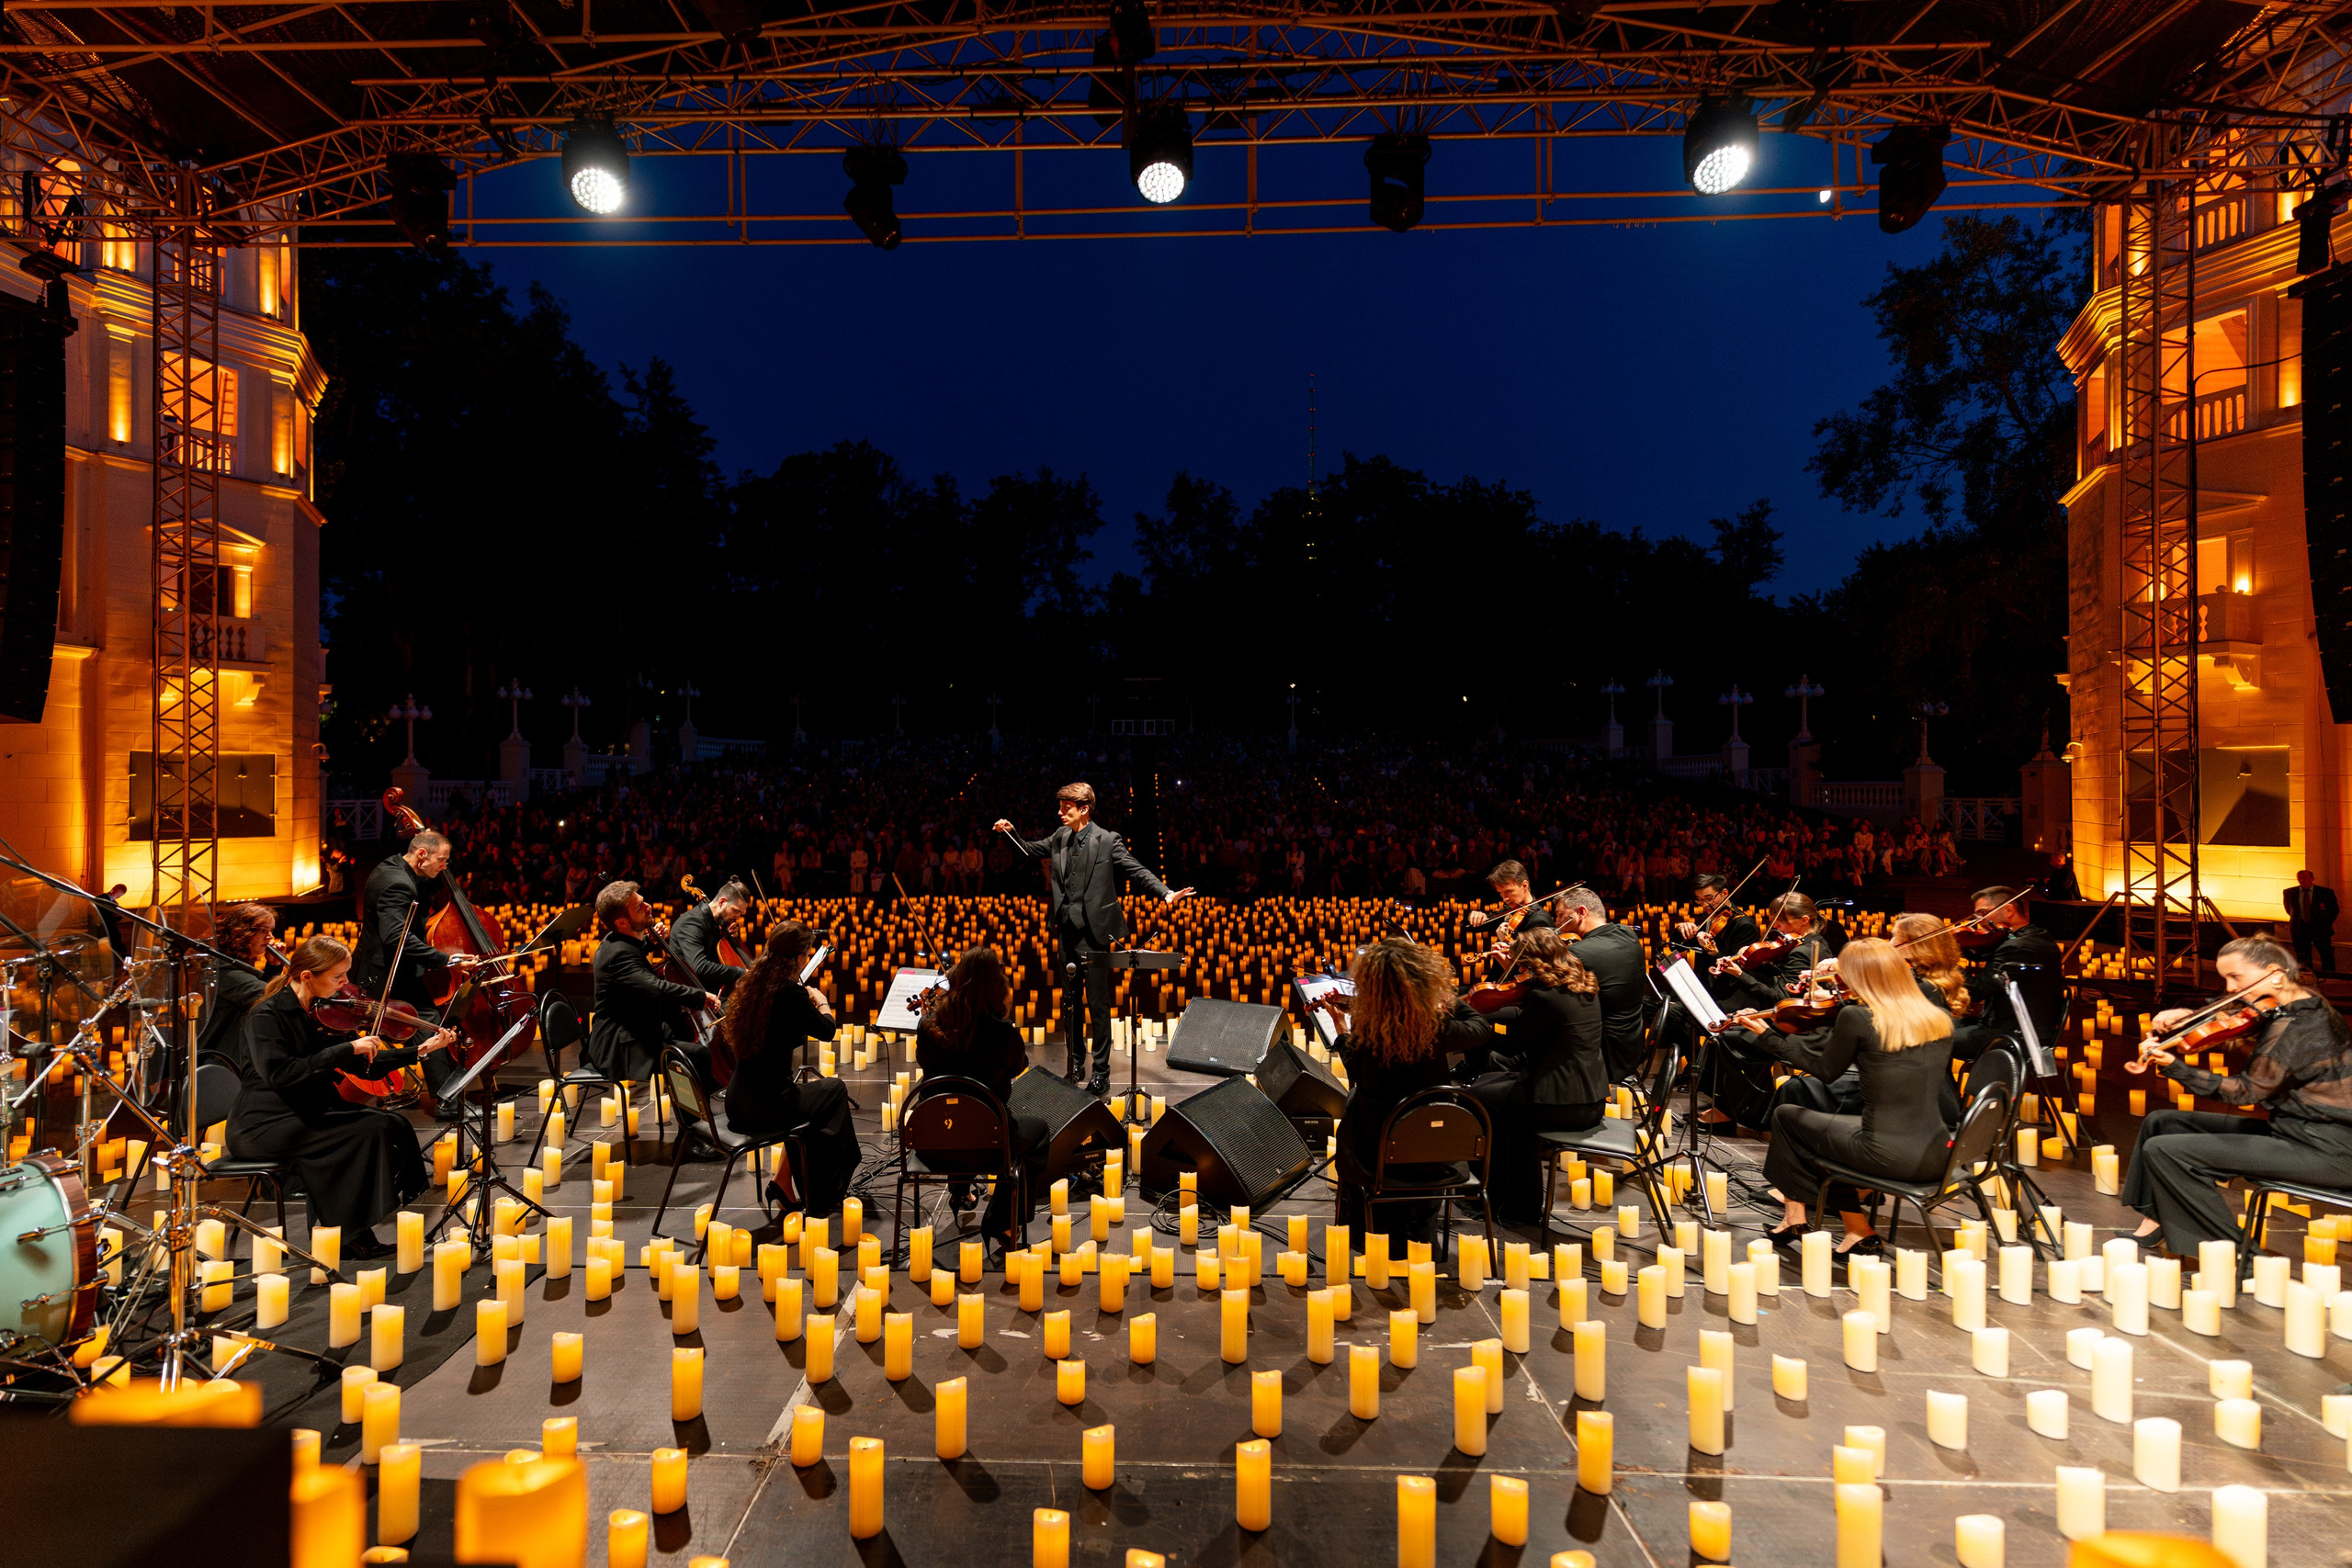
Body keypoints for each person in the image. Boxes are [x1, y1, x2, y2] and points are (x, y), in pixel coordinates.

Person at [2120, 936, 2352, 1255]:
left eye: (2236, 977)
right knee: (2162, 1123)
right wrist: (2188, 1016)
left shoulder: (2301, 1025)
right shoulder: (2297, 1001)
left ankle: (2234, 1253)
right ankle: (2154, 1223)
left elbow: (2245, 1091)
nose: (2229, 988)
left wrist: (2175, 1067)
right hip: (2295, 1131)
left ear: (2274, 974)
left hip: (2329, 1150)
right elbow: (2239, 1013)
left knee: (2167, 1151)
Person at [227, 935, 452, 1259]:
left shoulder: (322, 1012)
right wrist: (346, 1048)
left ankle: (346, 1230)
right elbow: (282, 1074)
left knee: (390, 1123)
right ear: (307, 976)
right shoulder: (266, 1016)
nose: (346, 983)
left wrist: (418, 1050)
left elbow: (365, 1067)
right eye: (338, 977)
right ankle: (347, 1237)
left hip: (308, 1110)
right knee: (363, 1133)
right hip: (264, 1122)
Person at [1739, 937, 1958, 1267]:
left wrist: (1767, 1035)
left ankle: (1797, 1216)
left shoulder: (1858, 1017)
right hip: (1939, 1153)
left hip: (1885, 1153)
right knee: (1824, 1135)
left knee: (1788, 1116)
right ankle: (1849, 1228)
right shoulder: (1937, 1016)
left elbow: (1825, 1071)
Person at [993, 783, 1194, 1095]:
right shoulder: (1060, 837)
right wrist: (1009, 832)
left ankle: (1101, 1071)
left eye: (1066, 808)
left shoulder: (1107, 840)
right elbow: (1029, 850)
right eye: (1060, 807)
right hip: (1066, 932)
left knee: (1098, 1005)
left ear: (1084, 809)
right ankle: (1075, 1064)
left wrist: (1166, 893)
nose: (1060, 813)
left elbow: (1136, 870)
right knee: (1070, 1003)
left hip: (1095, 934)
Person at [1321, 937, 1494, 1248]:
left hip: (1376, 1152)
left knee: (1352, 1104)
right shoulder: (1436, 1025)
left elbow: (1356, 1074)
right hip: (1435, 1150)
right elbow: (1480, 1028)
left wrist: (1341, 1028)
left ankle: (1365, 1229)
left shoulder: (1369, 1027)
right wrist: (1445, 997)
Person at [713, 919, 858, 1217]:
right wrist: (821, 1002)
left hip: (737, 1101)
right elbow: (827, 1030)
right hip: (768, 1106)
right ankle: (823, 1190)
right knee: (834, 1090)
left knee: (809, 1103)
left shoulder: (752, 984)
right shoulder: (790, 992)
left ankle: (784, 1182)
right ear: (800, 957)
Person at [1465, 929, 1607, 1224]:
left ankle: (1515, 1205)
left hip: (1562, 1104)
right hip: (1591, 1096)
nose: (1519, 970)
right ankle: (1502, 1194)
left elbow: (1511, 1044)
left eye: (1522, 964)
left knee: (1478, 1098)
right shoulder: (1582, 984)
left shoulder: (1545, 997)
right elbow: (1533, 1024)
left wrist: (1478, 1030)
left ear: (1534, 962)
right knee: (1485, 1086)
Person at [913, 946, 1050, 1250]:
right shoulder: (1003, 1033)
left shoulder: (928, 1026)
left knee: (955, 1113)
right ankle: (1001, 1221)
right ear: (996, 987)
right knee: (1036, 1132)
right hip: (989, 1146)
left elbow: (924, 1063)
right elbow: (1019, 1066)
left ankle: (960, 1189)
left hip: (932, 1142)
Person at [352, 829, 479, 1110]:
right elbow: (397, 937)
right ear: (422, 854)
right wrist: (446, 960)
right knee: (431, 1025)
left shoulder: (393, 866)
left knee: (432, 1022)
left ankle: (449, 1100)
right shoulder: (397, 884)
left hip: (391, 972)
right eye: (442, 860)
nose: (445, 867)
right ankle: (448, 1105)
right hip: (384, 978)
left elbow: (419, 888)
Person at [586, 881, 720, 1085]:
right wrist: (700, 996)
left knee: (679, 1028)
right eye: (639, 907)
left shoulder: (619, 941)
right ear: (622, 922)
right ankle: (695, 1115)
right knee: (698, 1055)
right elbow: (655, 987)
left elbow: (634, 957)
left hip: (634, 1025)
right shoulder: (618, 954)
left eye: (643, 900)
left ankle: (687, 1097)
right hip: (619, 1044)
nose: (648, 906)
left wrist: (651, 943)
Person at [1950, 886, 2063, 1064]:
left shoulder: (2021, 947)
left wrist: (1945, 963)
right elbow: (1984, 952)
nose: (1978, 921)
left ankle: (1942, 1091)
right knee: (1936, 1027)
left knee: (1930, 1042)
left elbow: (1978, 990)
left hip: (2015, 1035)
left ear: (2009, 910)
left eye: (1983, 913)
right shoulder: (2028, 938)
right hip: (2002, 1025)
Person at [1550, 886, 1650, 1080]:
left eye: (1561, 915)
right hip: (1630, 1047)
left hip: (1600, 1054)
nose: (1557, 922)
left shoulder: (1580, 953)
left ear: (1581, 913)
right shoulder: (1627, 934)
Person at [197, 902, 278, 1071]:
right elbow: (268, 998)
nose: (269, 937)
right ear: (240, 933)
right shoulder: (223, 970)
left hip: (228, 1062)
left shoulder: (232, 966)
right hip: (218, 1065)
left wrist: (274, 966)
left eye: (271, 931)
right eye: (262, 930)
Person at [1464, 860, 1555, 975]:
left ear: (1524, 886)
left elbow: (1533, 973)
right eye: (1501, 893)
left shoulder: (1539, 921)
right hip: (1497, 979)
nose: (1504, 898)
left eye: (1509, 892)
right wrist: (1472, 916)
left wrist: (1507, 942)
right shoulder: (1511, 910)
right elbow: (1469, 927)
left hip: (1512, 986)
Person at [669, 878, 752, 996]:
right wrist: (741, 972)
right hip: (697, 996)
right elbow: (701, 967)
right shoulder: (691, 924)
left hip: (713, 990)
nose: (737, 917)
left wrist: (728, 937)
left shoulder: (718, 923)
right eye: (736, 911)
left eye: (740, 913)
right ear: (722, 902)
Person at [2284, 870, 2338, 975]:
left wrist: (2324, 923)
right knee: (2303, 956)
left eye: (2304, 877)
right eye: (2299, 878)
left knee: (2326, 955)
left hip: (2320, 929)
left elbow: (2334, 910)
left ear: (2312, 879)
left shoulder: (2325, 893)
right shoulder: (2290, 892)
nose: (2301, 880)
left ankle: (2331, 977)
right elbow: (2289, 910)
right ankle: (2307, 977)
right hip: (2300, 929)